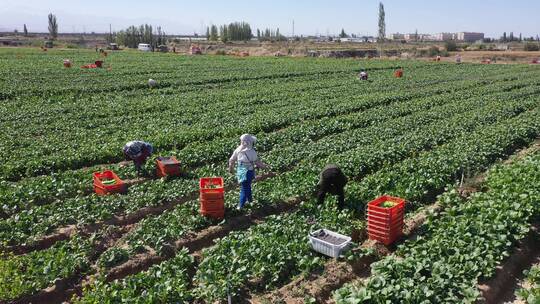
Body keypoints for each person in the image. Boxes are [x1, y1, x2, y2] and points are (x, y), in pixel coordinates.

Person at [228, 134, 267, 210]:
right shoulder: (251, 151)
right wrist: (264, 167)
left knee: (246, 186)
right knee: (245, 187)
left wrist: (231, 169)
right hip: (249, 171)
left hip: (240, 170)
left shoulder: (238, 150)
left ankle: (250, 201)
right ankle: (240, 205)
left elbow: (231, 160)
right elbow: (257, 162)